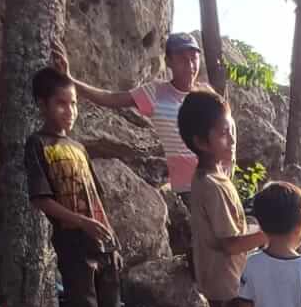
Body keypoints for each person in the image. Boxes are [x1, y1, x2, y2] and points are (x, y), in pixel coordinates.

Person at [25, 67, 141, 307]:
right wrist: (81, 222)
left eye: (73, 103)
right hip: (72, 242)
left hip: (101, 240)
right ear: (42, 104)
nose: (70, 111)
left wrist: (110, 236)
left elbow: (96, 196)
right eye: (61, 103)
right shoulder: (37, 144)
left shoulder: (77, 146)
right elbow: (41, 200)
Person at [159, 88, 267, 307]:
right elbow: (229, 243)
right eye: (223, 133)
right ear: (201, 142)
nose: (231, 139)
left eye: (232, 130)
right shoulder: (211, 185)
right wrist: (268, 234)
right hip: (227, 284)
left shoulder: (216, 176)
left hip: (230, 279)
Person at [51, 31, 203, 204]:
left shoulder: (206, 95)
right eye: (182, 59)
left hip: (216, 181)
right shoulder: (156, 92)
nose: (190, 65)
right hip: (187, 188)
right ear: (168, 61)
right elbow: (111, 98)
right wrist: (70, 80)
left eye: (194, 58)